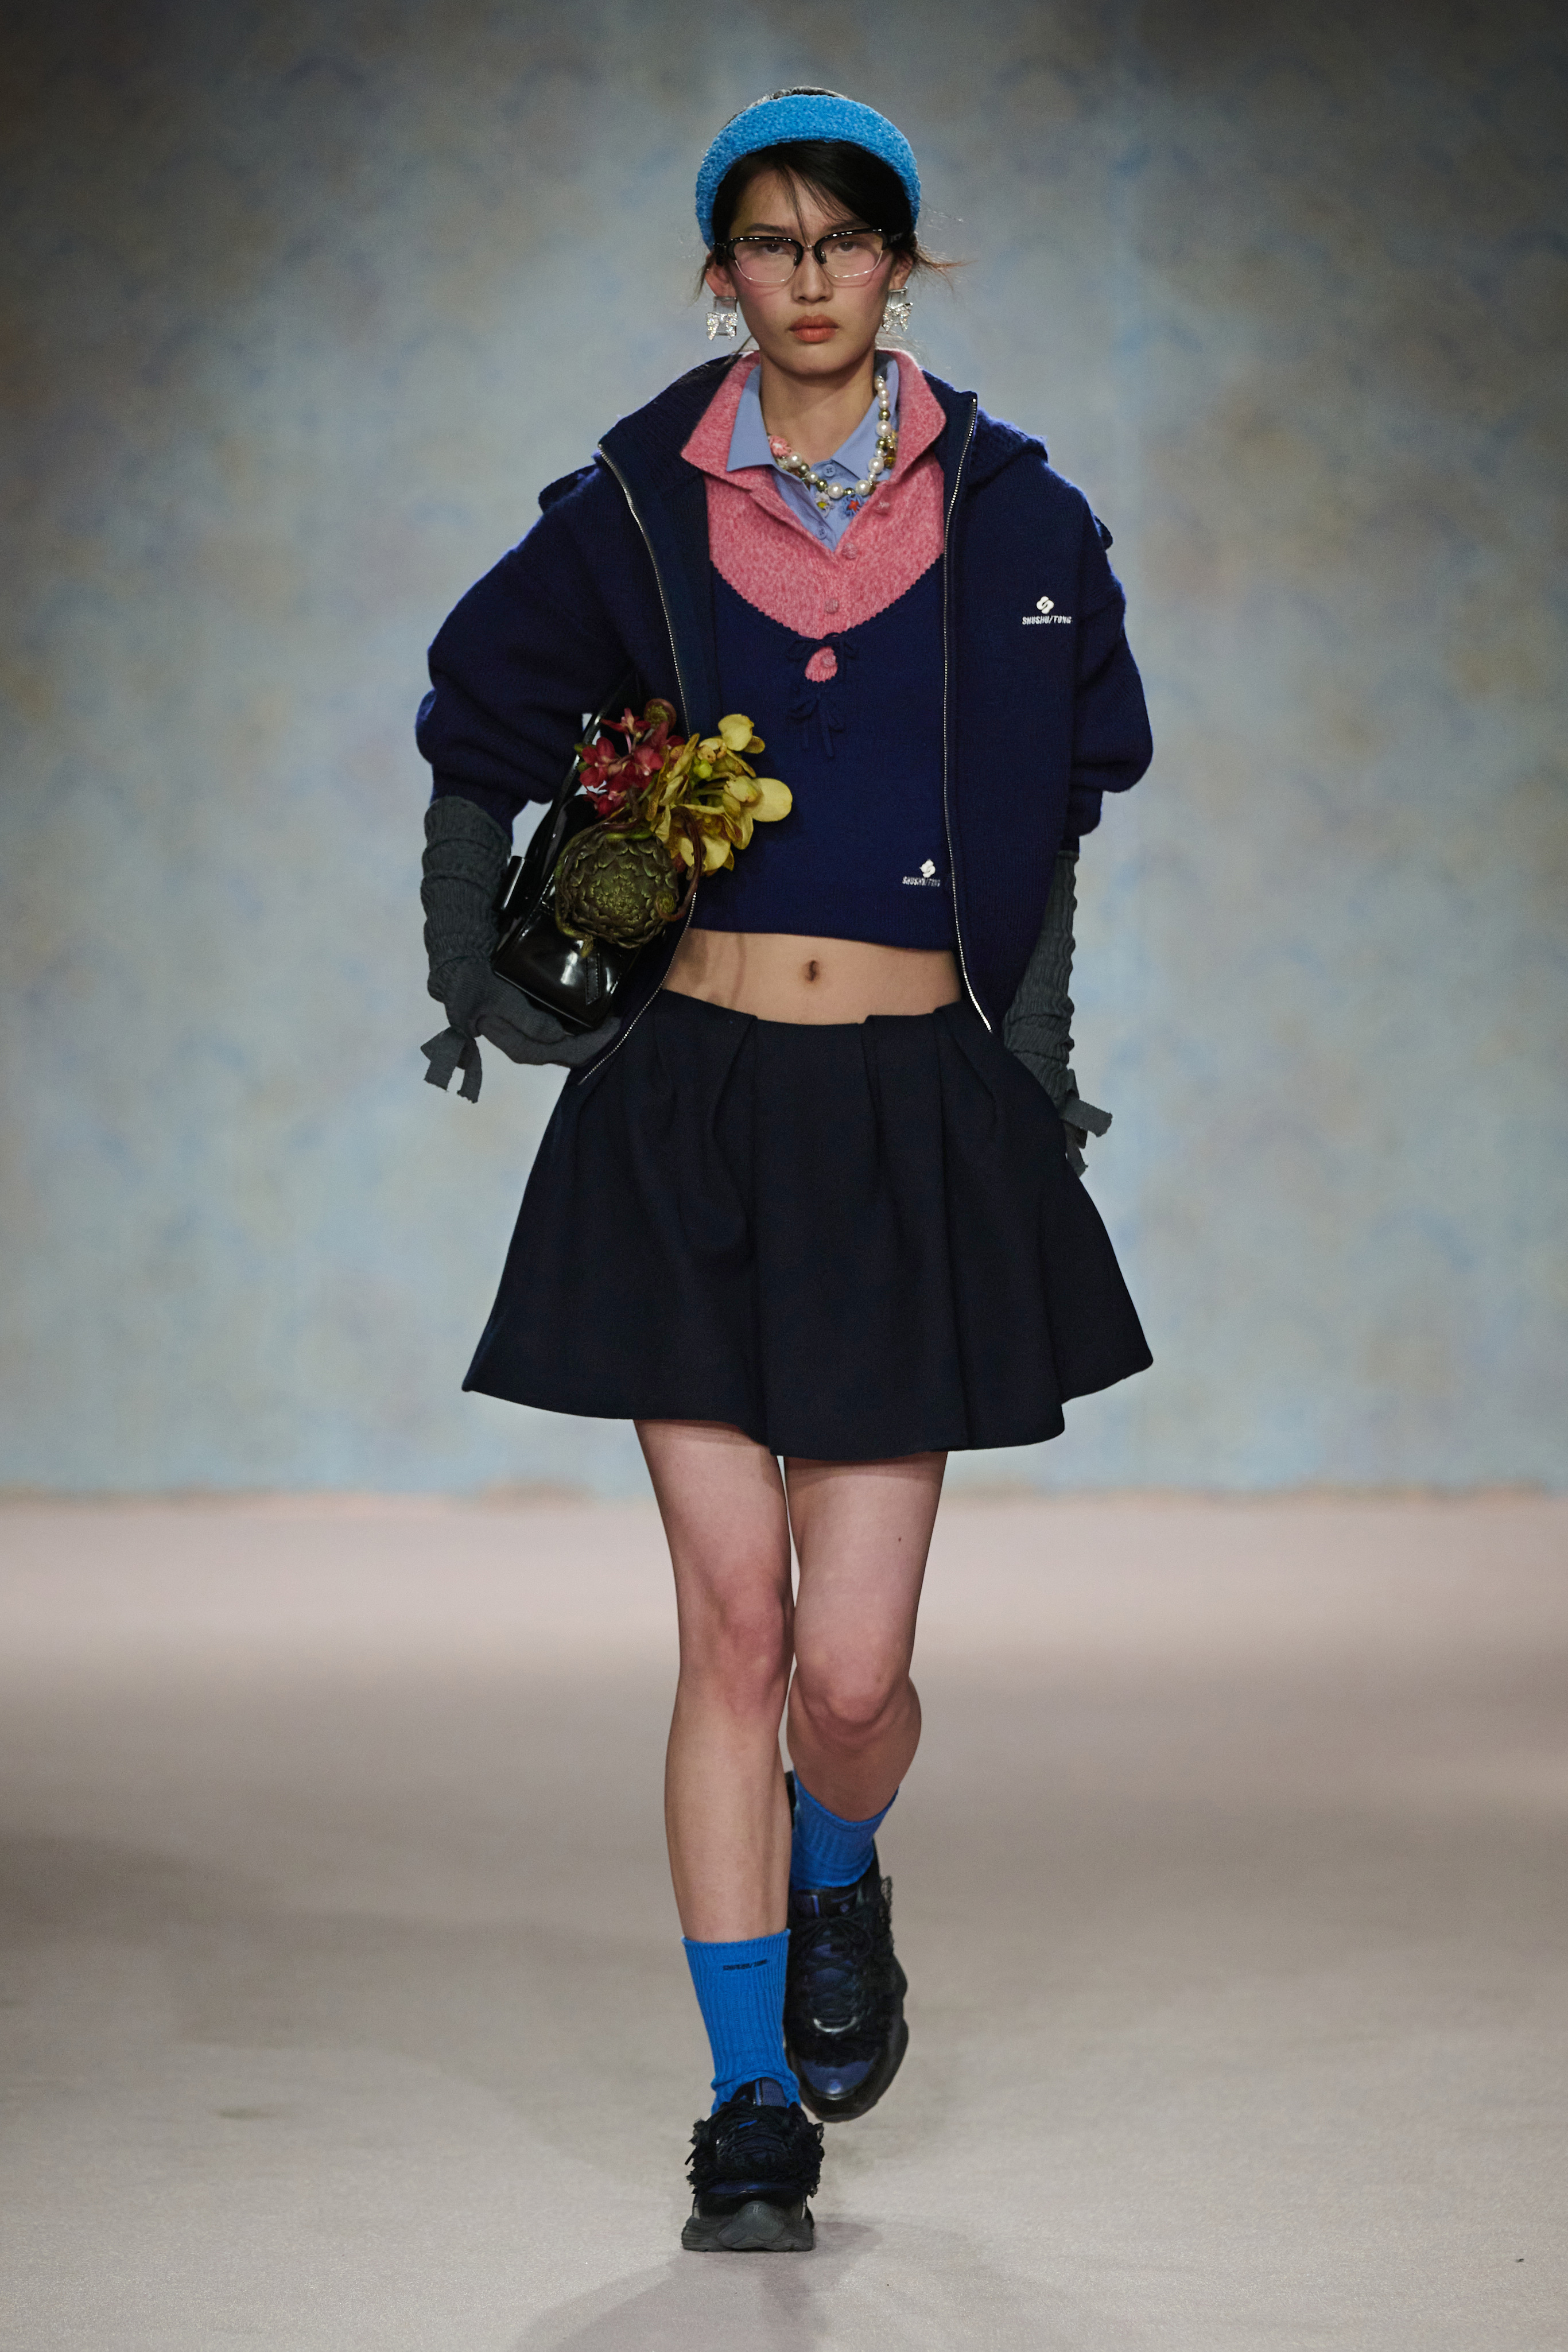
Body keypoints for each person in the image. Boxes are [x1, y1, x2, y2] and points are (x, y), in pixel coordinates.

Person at [415, 88, 1152, 2254]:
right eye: (769, 240)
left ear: (898, 264)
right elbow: (477, 716)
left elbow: (1061, 810)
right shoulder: (636, 506)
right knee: (732, 1626)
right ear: (719, 270)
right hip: (690, 1105)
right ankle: (748, 2104)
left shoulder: (1019, 518)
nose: (808, 276)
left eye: (843, 240)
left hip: (905, 1111)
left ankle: (844, 1870)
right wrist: (479, 976)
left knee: (847, 1675)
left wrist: (1034, 1064)